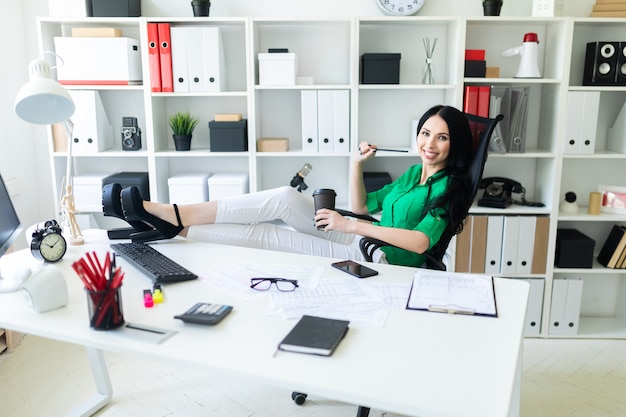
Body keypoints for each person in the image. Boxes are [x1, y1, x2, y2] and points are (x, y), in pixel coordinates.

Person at [115, 104, 473, 267]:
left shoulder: (450, 188)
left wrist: (349, 225)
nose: (429, 143)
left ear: (454, 144)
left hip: (374, 256)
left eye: (441, 138)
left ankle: (176, 228)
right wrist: (356, 164)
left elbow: (421, 241)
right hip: (360, 236)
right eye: (426, 133)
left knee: (266, 237)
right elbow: (363, 206)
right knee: (286, 196)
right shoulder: (413, 173)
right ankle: (175, 214)